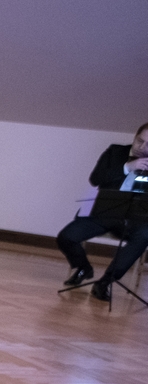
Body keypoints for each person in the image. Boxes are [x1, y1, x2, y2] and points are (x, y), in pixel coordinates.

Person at [56, 122, 148, 303]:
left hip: (136, 220)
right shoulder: (115, 152)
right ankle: (83, 268)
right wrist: (127, 168)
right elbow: (96, 179)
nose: (142, 148)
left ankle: (105, 282)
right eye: (140, 141)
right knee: (66, 236)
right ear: (135, 136)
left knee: (145, 235)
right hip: (104, 213)